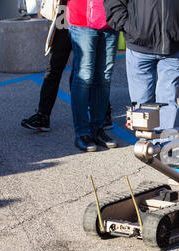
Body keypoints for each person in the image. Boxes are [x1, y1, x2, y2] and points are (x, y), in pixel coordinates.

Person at [104, 0, 179, 143]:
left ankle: (161, 146)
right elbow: (113, 3)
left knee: (167, 100)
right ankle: (146, 145)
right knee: (141, 101)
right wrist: (128, 27)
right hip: (139, 46)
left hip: (174, 46)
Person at [21, 0, 113, 132]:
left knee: (89, 69)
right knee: (55, 66)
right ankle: (43, 115)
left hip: (85, 15)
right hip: (64, 14)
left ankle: (104, 114)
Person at [67, 0, 119, 152]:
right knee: (84, 77)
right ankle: (82, 133)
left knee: (104, 79)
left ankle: (97, 129)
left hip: (110, 21)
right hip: (83, 21)